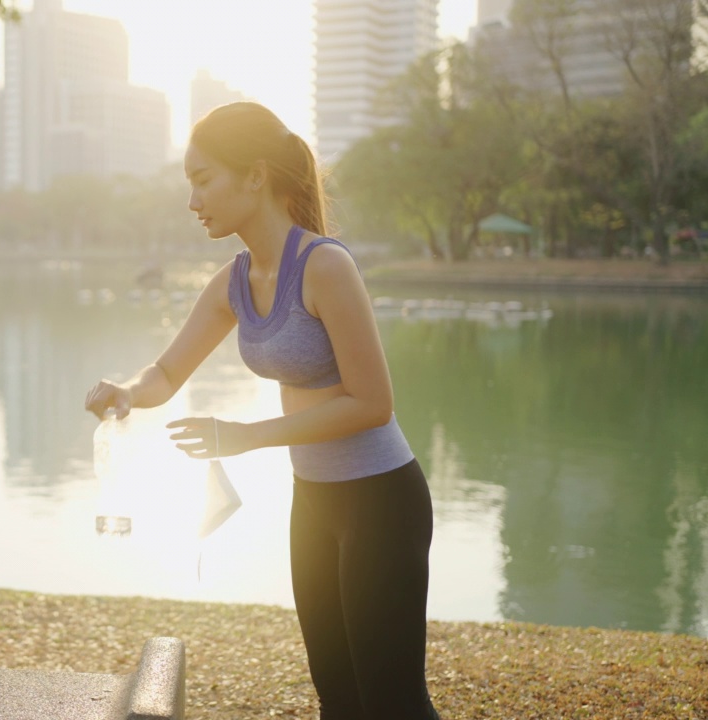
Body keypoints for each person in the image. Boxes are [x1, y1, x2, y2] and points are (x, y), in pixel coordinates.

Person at [83, 102, 441, 720]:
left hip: (382, 499)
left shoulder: (325, 266)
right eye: (188, 184)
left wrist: (244, 436)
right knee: (338, 698)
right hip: (316, 502)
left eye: (203, 180)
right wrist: (126, 393)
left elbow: (373, 404)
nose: (193, 201)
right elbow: (167, 373)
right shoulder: (235, 281)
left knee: (393, 704)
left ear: (254, 175)